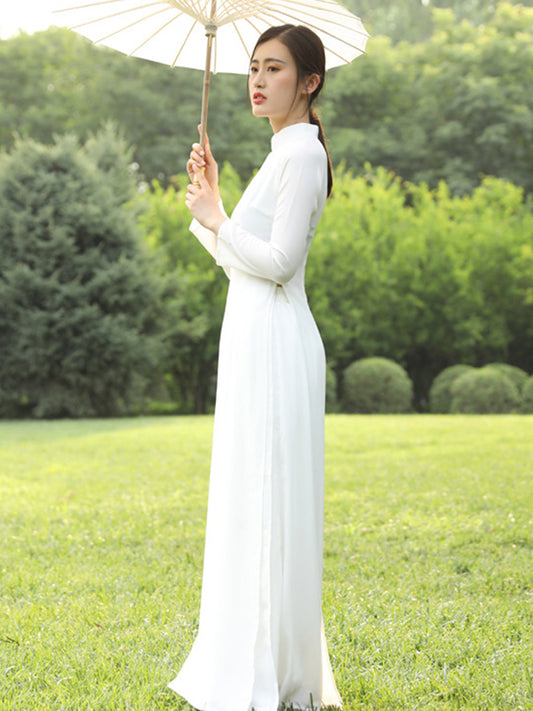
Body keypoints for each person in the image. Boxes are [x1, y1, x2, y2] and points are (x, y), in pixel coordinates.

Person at [168, 24, 342, 711]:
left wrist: (219, 218)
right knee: (248, 495)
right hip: (250, 335)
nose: (258, 81)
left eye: (275, 68)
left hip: (275, 341)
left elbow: (279, 264)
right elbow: (240, 263)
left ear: (309, 82)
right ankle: (246, 658)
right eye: (253, 68)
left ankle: (273, 672)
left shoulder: (301, 153)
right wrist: (211, 201)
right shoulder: (280, 154)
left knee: (268, 498)